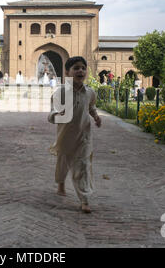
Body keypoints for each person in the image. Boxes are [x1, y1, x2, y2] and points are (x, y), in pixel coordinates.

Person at [48, 56, 102, 214]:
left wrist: (96, 117)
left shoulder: (90, 92)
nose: (80, 70)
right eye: (76, 68)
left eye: (83, 68)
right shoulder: (61, 93)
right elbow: (51, 113)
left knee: (83, 165)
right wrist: (58, 114)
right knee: (63, 161)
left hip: (84, 136)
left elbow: (91, 107)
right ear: (67, 72)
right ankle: (61, 183)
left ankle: (84, 199)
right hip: (65, 136)